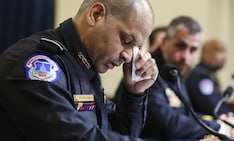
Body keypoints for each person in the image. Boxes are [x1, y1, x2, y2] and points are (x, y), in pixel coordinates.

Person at [0, 0, 159, 141]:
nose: (128, 56)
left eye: (136, 49)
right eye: (127, 40)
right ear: (96, 15)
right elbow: (73, 135)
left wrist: (134, 94)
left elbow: (118, 133)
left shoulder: (85, 67)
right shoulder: (36, 62)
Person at [138, 16, 234, 140]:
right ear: (165, 42)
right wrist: (219, 127)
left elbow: (187, 114)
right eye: (180, 46)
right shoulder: (147, 70)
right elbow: (169, 125)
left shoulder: (175, 71)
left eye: (193, 50)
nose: (185, 57)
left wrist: (219, 121)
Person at [185, 39, 234, 121]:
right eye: (220, 51)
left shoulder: (208, 75)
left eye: (225, 52)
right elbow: (215, 109)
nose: (224, 57)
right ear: (205, 54)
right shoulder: (201, 77)